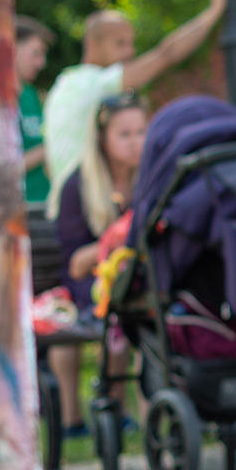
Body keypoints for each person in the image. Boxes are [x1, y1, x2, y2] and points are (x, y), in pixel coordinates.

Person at [43, 0, 225, 211]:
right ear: (92, 44)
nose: (130, 52)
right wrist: (214, 11)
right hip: (84, 209)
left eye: (130, 43)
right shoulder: (91, 84)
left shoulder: (65, 83)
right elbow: (166, 55)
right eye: (120, 44)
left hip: (71, 207)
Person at [50, 92, 148, 437]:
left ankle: (141, 418)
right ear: (102, 138)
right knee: (116, 310)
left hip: (139, 280)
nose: (135, 142)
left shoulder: (151, 180)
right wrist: (116, 239)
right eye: (125, 134)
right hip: (88, 284)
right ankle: (95, 414)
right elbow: (75, 266)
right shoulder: (78, 186)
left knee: (146, 313)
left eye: (141, 132)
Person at [15, 16, 55, 207]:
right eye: (35, 54)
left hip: (44, 203)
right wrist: (54, 144)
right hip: (19, 208)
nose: (41, 63)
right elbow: (3, 170)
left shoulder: (30, 94)